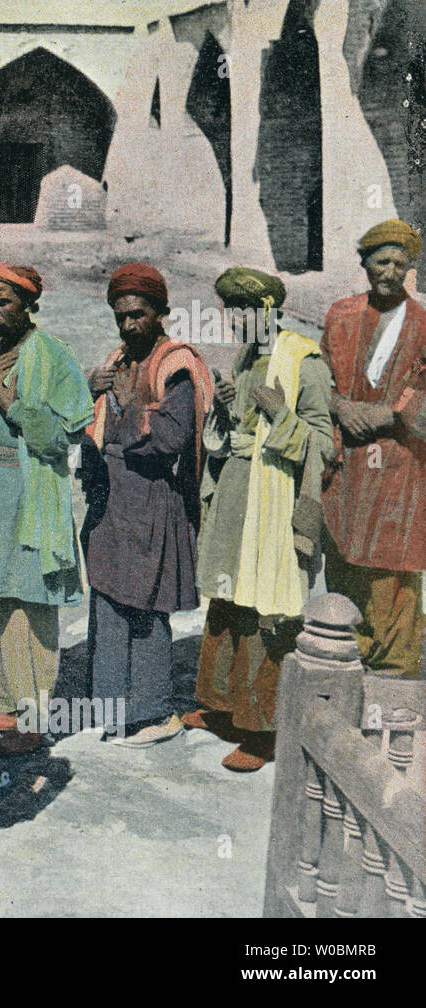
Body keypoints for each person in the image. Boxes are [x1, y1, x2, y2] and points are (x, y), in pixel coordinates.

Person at [189, 267, 335, 771]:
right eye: (230, 311)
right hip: (236, 492)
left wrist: (280, 416)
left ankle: (262, 731)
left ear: (268, 310)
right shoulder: (247, 357)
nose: (235, 321)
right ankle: (224, 709)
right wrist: (225, 412)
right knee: (228, 597)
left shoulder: (305, 361)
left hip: (273, 502)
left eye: (244, 311)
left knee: (266, 609)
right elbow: (232, 434)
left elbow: (324, 444)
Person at [0, 262, 93, 755]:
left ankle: (34, 718)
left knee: (29, 605)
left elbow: (63, 438)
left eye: (4, 303)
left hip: (32, 490)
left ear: (28, 304)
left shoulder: (54, 356)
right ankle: (0, 703)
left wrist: (14, 405)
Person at [81, 263, 213, 747]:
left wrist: (122, 409)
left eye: (138, 315)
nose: (129, 325)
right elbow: (91, 423)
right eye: (121, 316)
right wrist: (91, 394)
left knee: (148, 605)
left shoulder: (176, 365)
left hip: (154, 500)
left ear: (161, 313)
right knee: (110, 598)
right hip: (113, 502)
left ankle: (154, 712)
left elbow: (173, 438)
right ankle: (113, 709)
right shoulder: (119, 360)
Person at [320, 219, 426, 678]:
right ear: (364, 263)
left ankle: (394, 670)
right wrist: (338, 404)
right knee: (345, 554)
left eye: (400, 265)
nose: (390, 272)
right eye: (381, 261)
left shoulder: (422, 323)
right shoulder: (340, 315)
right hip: (348, 458)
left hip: (400, 460)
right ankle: (348, 653)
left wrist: (388, 412)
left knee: (393, 564)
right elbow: (317, 375)